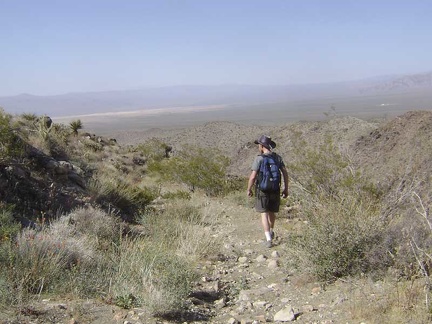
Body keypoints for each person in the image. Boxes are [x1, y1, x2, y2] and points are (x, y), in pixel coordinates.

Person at [247, 135, 289, 248]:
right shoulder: (277, 158)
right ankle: (271, 230)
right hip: (275, 188)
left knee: (264, 213)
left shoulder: (259, 159)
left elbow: (252, 177)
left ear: (262, 146)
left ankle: (268, 239)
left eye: (259, 145)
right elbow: (285, 173)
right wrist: (286, 188)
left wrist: (249, 189)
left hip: (262, 190)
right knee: (272, 212)